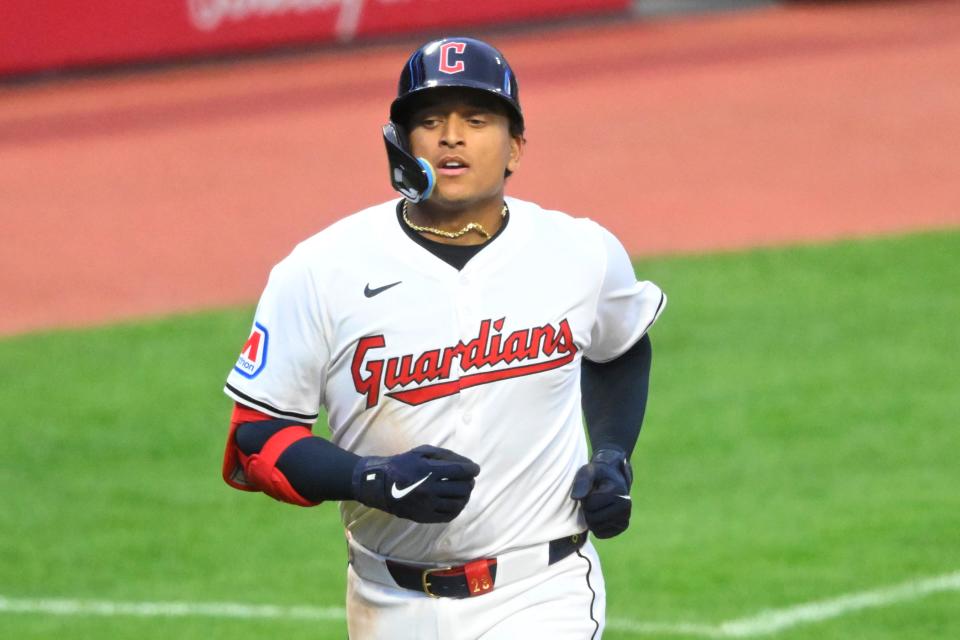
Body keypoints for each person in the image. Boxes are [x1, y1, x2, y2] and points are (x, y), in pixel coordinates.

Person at [221, 36, 666, 639]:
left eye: (476, 119)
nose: (451, 136)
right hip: (386, 602)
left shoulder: (579, 252)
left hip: (543, 592)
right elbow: (257, 440)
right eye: (430, 121)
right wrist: (368, 478)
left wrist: (612, 456)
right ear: (402, 144)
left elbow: (621, 346)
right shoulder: (321, 270)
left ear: (515, 149)